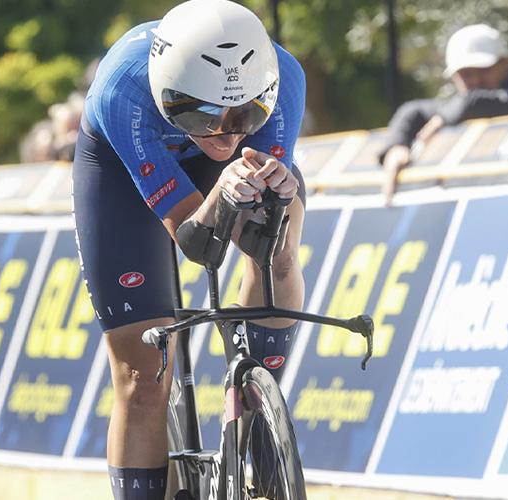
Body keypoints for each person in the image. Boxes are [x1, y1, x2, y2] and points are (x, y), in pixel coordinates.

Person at [71, 1, 306, 498]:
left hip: (225, 173)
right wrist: (220, 193)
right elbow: (197, 244)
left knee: (280, 242)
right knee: (143, 383)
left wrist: (273, 205)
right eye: (200, 114)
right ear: (167, 94)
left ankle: (263, 408)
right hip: (123, 169)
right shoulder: (124, 90)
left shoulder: (284, 78)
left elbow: (260, 225)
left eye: (247, 113)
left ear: (263, 93)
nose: (226, 131)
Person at [379, 24, 508, 204]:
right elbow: (412, 110)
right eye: (464, 74)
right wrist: (396, 146)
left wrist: (444, 117)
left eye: (484, 69)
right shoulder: (456, 108)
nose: (475, 80)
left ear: (507, 63)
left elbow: (475, 102)